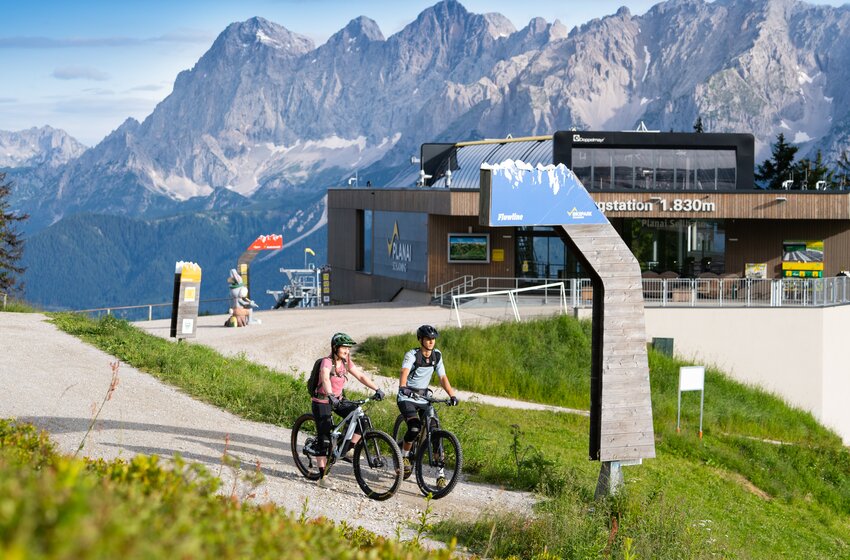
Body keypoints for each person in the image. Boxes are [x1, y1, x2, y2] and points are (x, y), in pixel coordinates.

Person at [311, 332, 385, 489]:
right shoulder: (326, 362)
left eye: (348, 348)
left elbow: (360, 376)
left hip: (338, 399)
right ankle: (323, 477)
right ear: (335, 348)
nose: (346, 351)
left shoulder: (346, 362)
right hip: (322, 400)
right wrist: (330, 395)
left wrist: (377, 389)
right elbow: (325, 378)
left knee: (361, 418)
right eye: (344, 348)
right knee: (324, 439)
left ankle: (347, 449)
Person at [397, 324, 458, 486]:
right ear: (420, 340)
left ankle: (440, 474)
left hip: (424, 397)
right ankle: (404, 457)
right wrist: (403, 386)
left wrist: (452, 395)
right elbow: (404, 371)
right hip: (407, 396)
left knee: (435, 432)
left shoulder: (437, 356)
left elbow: (443, 377)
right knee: (415, 428)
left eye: (433, 339)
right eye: (428, 339)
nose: (431, 342)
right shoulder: (412, 355)